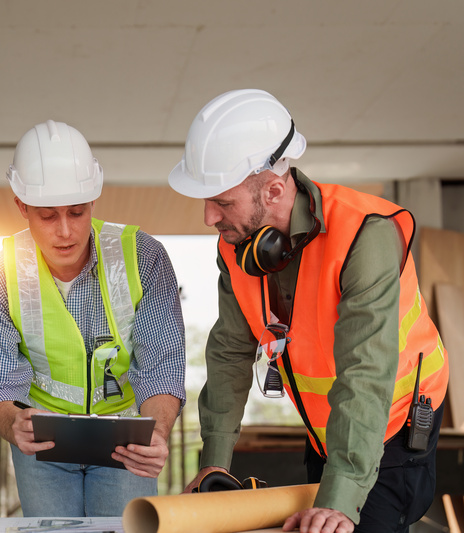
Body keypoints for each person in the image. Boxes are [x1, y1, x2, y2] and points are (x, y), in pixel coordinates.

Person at [168, 89, 450, 533]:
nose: (208, 218)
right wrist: (213, 464)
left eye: (222, 202)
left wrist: (339, 500)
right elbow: (228, 353)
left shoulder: (365, 236)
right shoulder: (239, 247)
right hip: (327, 428)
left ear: (274, 189)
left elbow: (366, 371)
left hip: (392, 424)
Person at [0, 120, 186, 517]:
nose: (65, 231)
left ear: (94, 201)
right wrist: (12, 421)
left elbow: (162, 366)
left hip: (125, 441)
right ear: (22, 206)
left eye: (77, 212)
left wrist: (156, 432)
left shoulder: (144, 258)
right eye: (48, 215)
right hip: (43, 448)